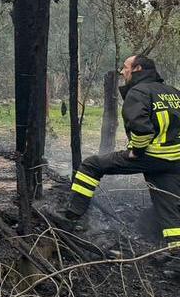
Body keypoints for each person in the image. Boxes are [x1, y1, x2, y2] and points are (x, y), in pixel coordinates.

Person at [55, 54, 180, 256]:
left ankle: (71, 215)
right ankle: (177, 256)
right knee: (169, 208)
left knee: (92, 165)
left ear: (137, 69)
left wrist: (136, 151)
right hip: (174, 161)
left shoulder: (138, 92)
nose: (122, 72)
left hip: (151, 156)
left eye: (125, 67)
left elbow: (141, 129)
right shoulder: (173, 92)